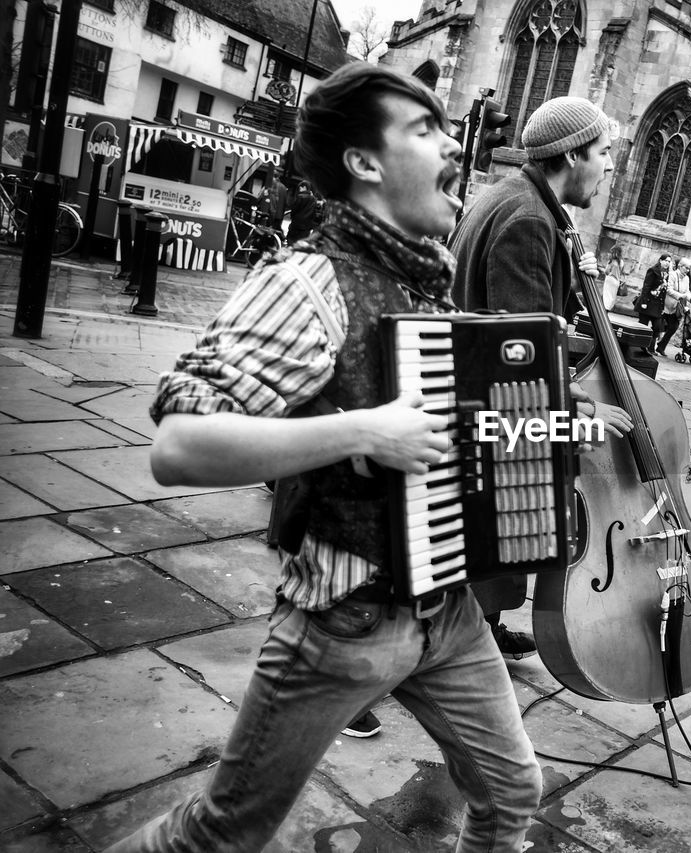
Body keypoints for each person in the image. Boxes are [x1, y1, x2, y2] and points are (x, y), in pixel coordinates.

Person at [106, 63, 541, 852]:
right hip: (346, 621)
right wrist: (364, 431)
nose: (455, 147)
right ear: (365, 164)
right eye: (425, 130)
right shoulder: (308, 281)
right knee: (220, 831)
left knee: (512, 794)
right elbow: (178, 445)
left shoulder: (420, 279)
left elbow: (432, 440)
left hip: (446, 609)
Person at [450, 95, 634, 659]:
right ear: (572, 154)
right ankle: (453, 641)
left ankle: (477, 630)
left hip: (471, 397)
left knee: (486, 529)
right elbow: (519, 353)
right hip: (487, 407)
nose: (609, 167)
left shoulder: (516, 199)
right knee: (496, 524)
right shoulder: (529, 220)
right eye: (603, 153)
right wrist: (584, 412)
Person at [635, 253, 671, 353]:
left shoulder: (666, 274)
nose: (667, 263)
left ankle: (650, 348)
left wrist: (662, 307)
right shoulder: (653, 270)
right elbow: (646, 286)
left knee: (657, 326)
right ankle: (638, 345)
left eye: (669, 261)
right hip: (648, 303)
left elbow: (663, 293)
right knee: (643, 326)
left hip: (657, 305)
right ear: (660, 260)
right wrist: (644, 302)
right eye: (666, 261)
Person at [657, 257, 691, 355]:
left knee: (673, 327)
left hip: (675, 307)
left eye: (689, 268)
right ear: (680, 266)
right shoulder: (672, 275)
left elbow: (687, 291)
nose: (688, 270)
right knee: (657, 326)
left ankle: (661, 347)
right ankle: (650, 347)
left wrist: (690, 297)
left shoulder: (686, 278)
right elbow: (668, 289)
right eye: (686, 268)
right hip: (665, 305)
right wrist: (681, 296)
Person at [257, 166, 290, 233]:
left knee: (263, 232)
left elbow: (259, 197)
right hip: (279, 216)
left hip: (269, 214)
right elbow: (285, 203)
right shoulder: (284, 188)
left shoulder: (269, 186)